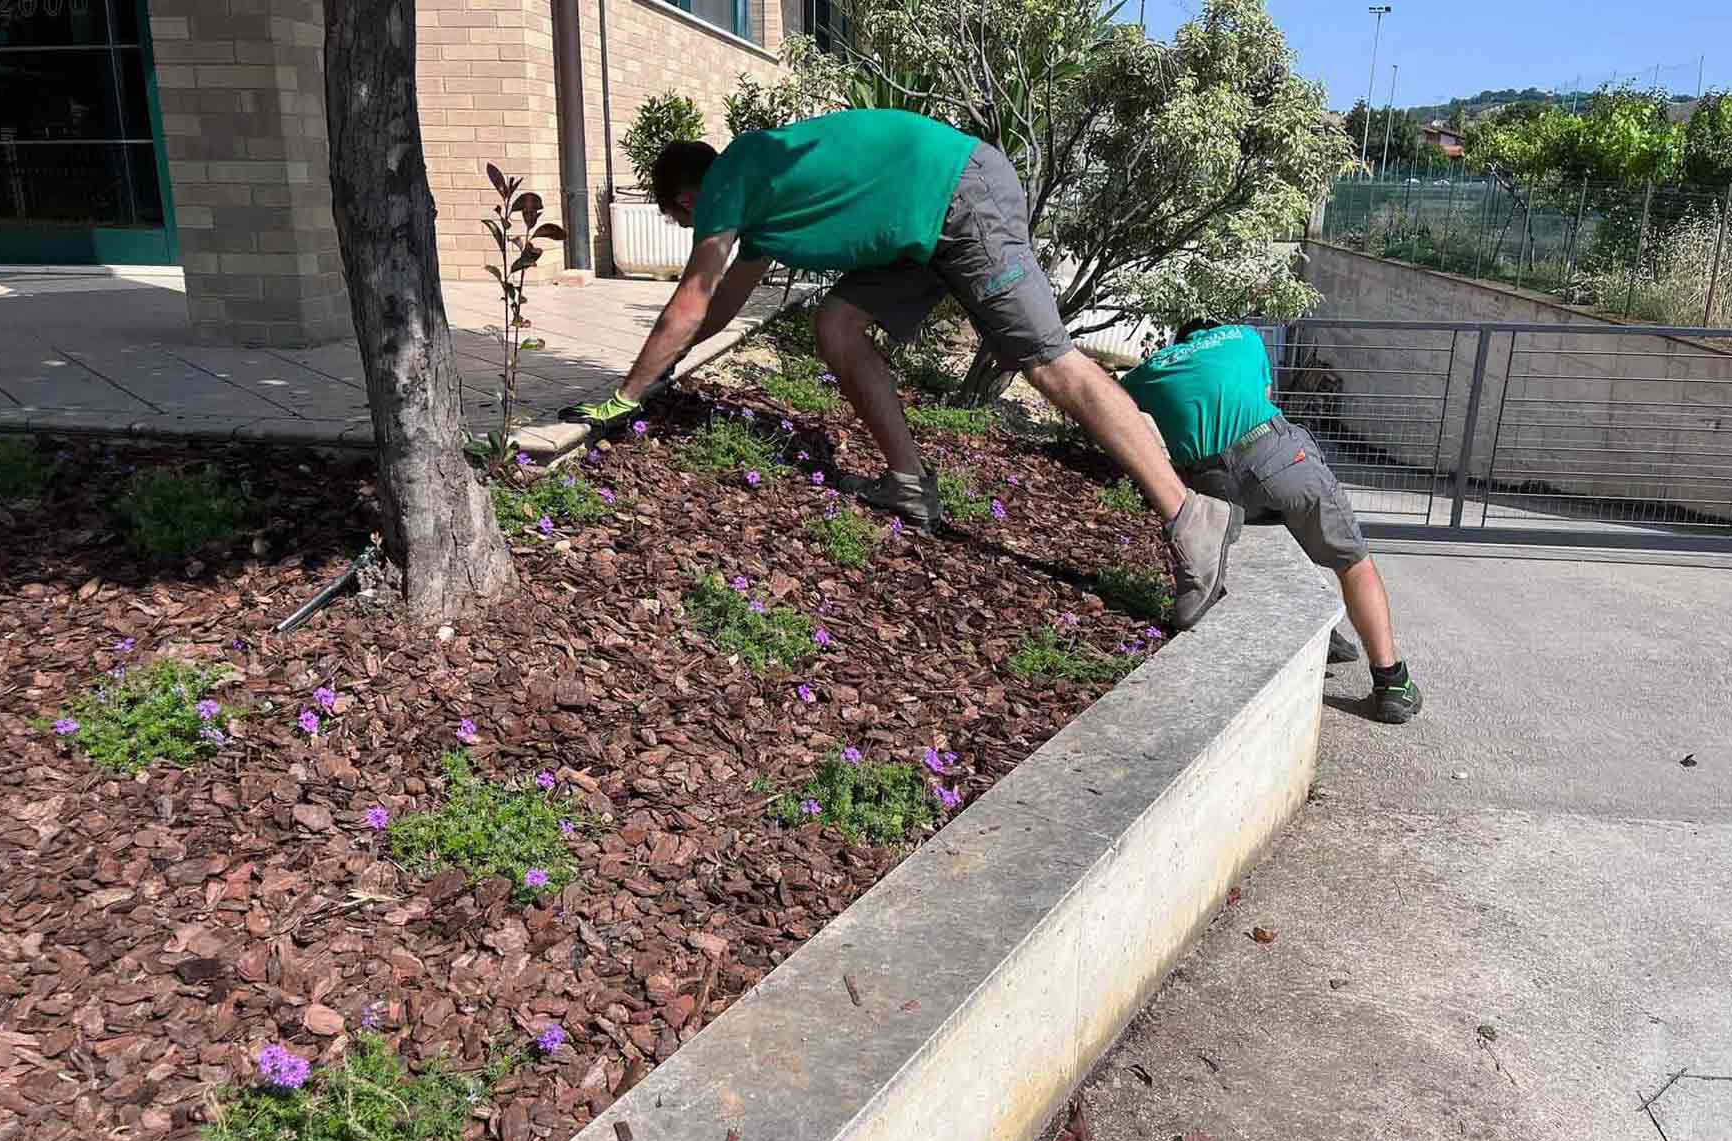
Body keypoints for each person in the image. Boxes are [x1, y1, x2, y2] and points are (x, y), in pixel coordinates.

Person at [561, 108, 1242, 629]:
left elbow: (692, 299)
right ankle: (911, 485)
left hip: (957, 195)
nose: (696, 226)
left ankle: (1189, 514)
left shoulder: (729, 179)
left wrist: (625, 396)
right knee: (836, 323)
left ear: (686, 202)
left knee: (1049, 365)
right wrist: (669, 366)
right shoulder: (760, 190)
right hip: (926, 214)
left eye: (688, 221)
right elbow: (720, 305)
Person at [1118, 321, 1423, 723]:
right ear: (1214, 329)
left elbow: (1115, 414)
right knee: (1353, 562)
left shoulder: (1151, 370)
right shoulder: (1243, 337)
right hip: (1278, 457)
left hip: (1212, 481)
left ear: (1182, 341)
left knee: (1261, 533)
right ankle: (1391, 682)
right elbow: (1264, 395)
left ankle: (1321, 633)